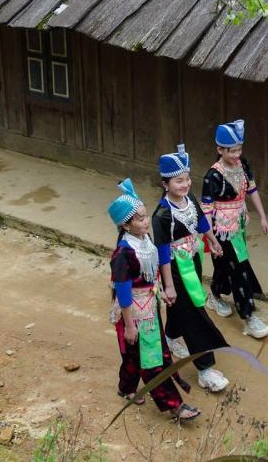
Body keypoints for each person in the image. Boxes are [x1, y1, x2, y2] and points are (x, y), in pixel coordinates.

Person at [107, 178, 200, 421]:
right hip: (135, 313)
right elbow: (124, 292)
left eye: (146, 215)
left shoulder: (145, 241)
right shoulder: (124, 254)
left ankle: (126, 388)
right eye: (139, 218)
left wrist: (163, 290)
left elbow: (157, 265)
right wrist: (128, 325)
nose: (146, 221)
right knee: (151, 359)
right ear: (125, 226)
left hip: (149, 304)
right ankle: (174, 404)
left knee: (133, 353)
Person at [152, 144, 232, 394]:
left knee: (183, 307)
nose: (185, 184)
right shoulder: (162, 215)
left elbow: (201, 221)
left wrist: (213, 241)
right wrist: (169, 285)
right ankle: (205, 369)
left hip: (192, 261)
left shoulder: (189, 200)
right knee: (195, 314)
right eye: (178, 181)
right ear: (166, 184)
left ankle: (171, 336)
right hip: (175, 268)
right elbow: (163, 253)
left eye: (186, 179)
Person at [201, 119, 268, 339]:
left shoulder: (243, 165)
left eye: (239, 149)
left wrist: (262, 216)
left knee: (225, 263)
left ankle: (215, 294)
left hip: (238, 224)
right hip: (220, 229)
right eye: (232, 151)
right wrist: (211, 239)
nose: (236, 155)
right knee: (239, 267)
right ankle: (249, 317)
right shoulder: (212, 177)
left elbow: (252, 190)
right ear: (219, 149)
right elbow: (206, 210)